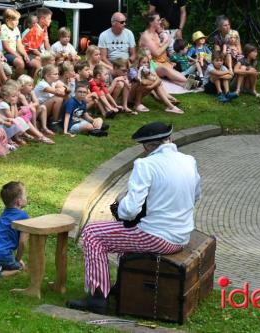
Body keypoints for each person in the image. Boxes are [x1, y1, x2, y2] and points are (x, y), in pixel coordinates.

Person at [67, 121, 201, 314]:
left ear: (147, 146)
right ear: (169, 139)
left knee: (92, 233)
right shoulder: (189, 160)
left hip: (158, 238)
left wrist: (121, 203)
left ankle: (97, 298)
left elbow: (129, 211)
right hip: (182, 236)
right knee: (125, 233)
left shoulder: (145, 164)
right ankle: (124, 285)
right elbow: (196, 196)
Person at [139, 13, 187, 86]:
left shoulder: (155, 33)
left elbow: (161, 49)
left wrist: (168, 60)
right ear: (151, 22)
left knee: (171, 72)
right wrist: (168, 42)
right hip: (150, 63)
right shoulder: (146, 36)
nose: (160, 22)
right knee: (166, 70)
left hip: (161, 61)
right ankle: (187, 81)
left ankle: (186, 84)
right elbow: (157, 53)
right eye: (158, 20)